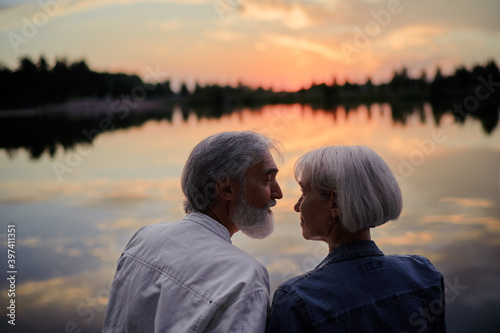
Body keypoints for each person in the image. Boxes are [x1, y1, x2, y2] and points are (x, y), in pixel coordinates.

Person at [103, 131, 283, 332]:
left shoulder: (144, 239)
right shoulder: (245, 276)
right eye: (267, 180)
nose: (278, 193)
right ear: (226, 189)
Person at [266, 145, 446, 333]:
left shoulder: (296, 301)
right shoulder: (424, 275)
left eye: (304, 193)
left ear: (334, 203)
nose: (297, 206)